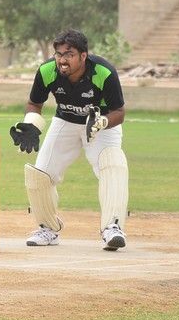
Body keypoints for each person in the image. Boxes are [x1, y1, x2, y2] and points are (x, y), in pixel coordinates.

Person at [9, 29, 129, 251]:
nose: (62, 60)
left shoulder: (103, 72)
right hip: (65, 121)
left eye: (69, 54)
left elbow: (119, 112)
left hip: (101, 123)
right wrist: (31, 123)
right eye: (59, 54)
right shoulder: (47, 70)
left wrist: (101, 122)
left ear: (83, 56)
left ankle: (112, 227)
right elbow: (34, 103)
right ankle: (47, 228)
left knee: (113, 166)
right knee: (39, 175)